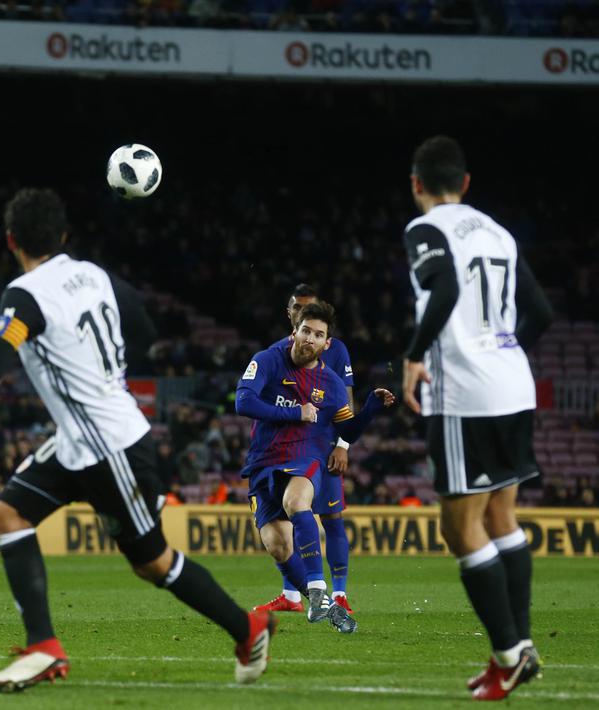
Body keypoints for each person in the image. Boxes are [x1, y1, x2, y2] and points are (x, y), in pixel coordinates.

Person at [0, 188, 275, 691]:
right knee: (7, 515)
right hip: (80, 441)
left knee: (153, 563)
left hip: (111, 447)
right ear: (63, 235)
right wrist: (107, 376)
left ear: (11, 240)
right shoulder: (94, 275)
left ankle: (248, 629)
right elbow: (144, 327)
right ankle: (43, 647)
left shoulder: (25, 295)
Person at [400, 136, 552, 700]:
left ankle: (509, 656)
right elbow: (540, 312)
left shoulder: (425, 230)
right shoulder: (497, 232)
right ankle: (519, 649)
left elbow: (444, 288)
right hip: (514, 386)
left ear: (417, 184)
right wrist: (502, 355)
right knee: (501, 518)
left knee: (460, 528)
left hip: (466, 395)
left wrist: (413, 355)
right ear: (465, 183)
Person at [236, 301, 392, 634]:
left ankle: (320, 586)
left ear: (326, 344)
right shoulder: (267, 360)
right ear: (294, 332)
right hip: (263, 461)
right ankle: (321, 602)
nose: (310, 338)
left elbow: (347, 430)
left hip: (306, 455)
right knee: (278, 546)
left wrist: (370, 409)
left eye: (318, 335)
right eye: (306, 331)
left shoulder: (331, 384)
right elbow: (243, 401)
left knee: (296, 502)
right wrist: (296, 412)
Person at [255, 284, 357, 615]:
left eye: (308, 306)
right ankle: (293, 595)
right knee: (291, 516)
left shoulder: (336, 350)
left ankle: (338, 595)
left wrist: (342, 445)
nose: (302, 311)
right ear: (290, 314)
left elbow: (346, 401)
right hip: (286, 450)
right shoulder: (275, 353)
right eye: (297, 308)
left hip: (324, 446)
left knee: (331, 517)